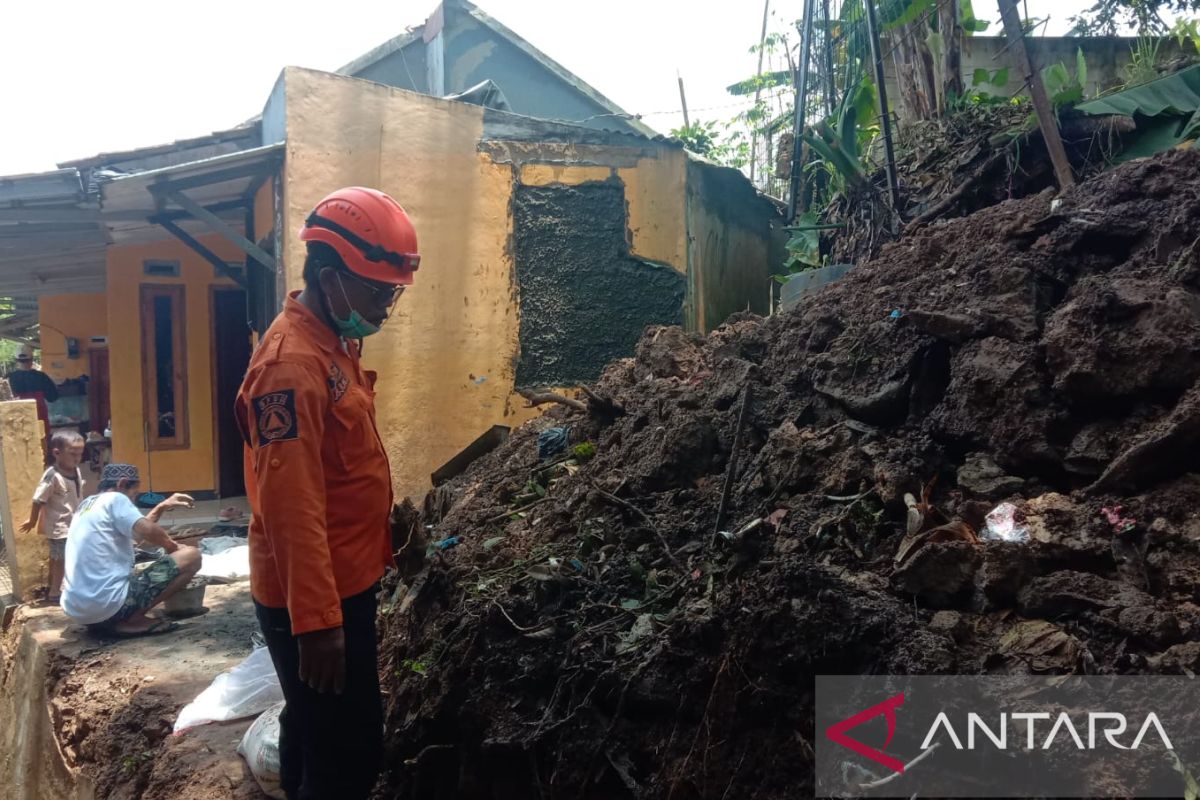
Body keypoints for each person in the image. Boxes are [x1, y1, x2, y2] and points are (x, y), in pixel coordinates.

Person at [235, 187, 420, 800]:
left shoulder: (332, 343)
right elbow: (291, 508)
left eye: (392, 293)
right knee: (348, 751)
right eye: (378, 291)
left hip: (345, 581)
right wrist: (317, 624)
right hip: (316, 598)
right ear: (331, 277)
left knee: (311, 726)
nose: (386, 308)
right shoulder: (289, 367)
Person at [60, 464, 201, 637]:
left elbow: (136, 533)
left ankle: (111, 620)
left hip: (79, 610)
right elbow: (146, 530)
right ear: (122, 483)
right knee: (192, 556)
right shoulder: (115, 499)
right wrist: (174, 547)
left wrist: (162, 506)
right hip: (105, 605)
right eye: (134, 493)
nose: (133, 500)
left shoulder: (87, 505)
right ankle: (132, 619)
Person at [19, 430, 86, 603]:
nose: (77, 458)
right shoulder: (52, 475)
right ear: (57, 453)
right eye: (73, 454)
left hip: (74, 523)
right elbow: (38, 499)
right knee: (59, 560)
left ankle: (67, 587)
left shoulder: (76, 470)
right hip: (59, 527)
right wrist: (32, 521)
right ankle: (55, 592)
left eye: (80, 454)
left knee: (72, 556)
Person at [8, 343, 58, 448]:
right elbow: (53, 397)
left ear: (16, 360)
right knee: (41, 448)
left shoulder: (8, 379)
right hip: (39, 420)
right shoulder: (41, 377)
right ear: (31, 360)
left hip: (16, 423)